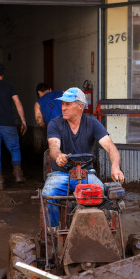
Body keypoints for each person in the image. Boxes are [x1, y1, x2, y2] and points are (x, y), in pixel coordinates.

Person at [42, 87, 124, 227]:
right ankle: (53, 234)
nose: (63, 108)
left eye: (68, 104)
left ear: (80, 106)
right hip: (60, 174)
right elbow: (54, 147)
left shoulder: (92, 124)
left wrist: (115, 167)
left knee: (101, 194)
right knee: (48, 195)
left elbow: (111, 148)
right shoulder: (55, 124)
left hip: (86, 174)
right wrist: (59, 156)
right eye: (62, 104)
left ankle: (94, 231)